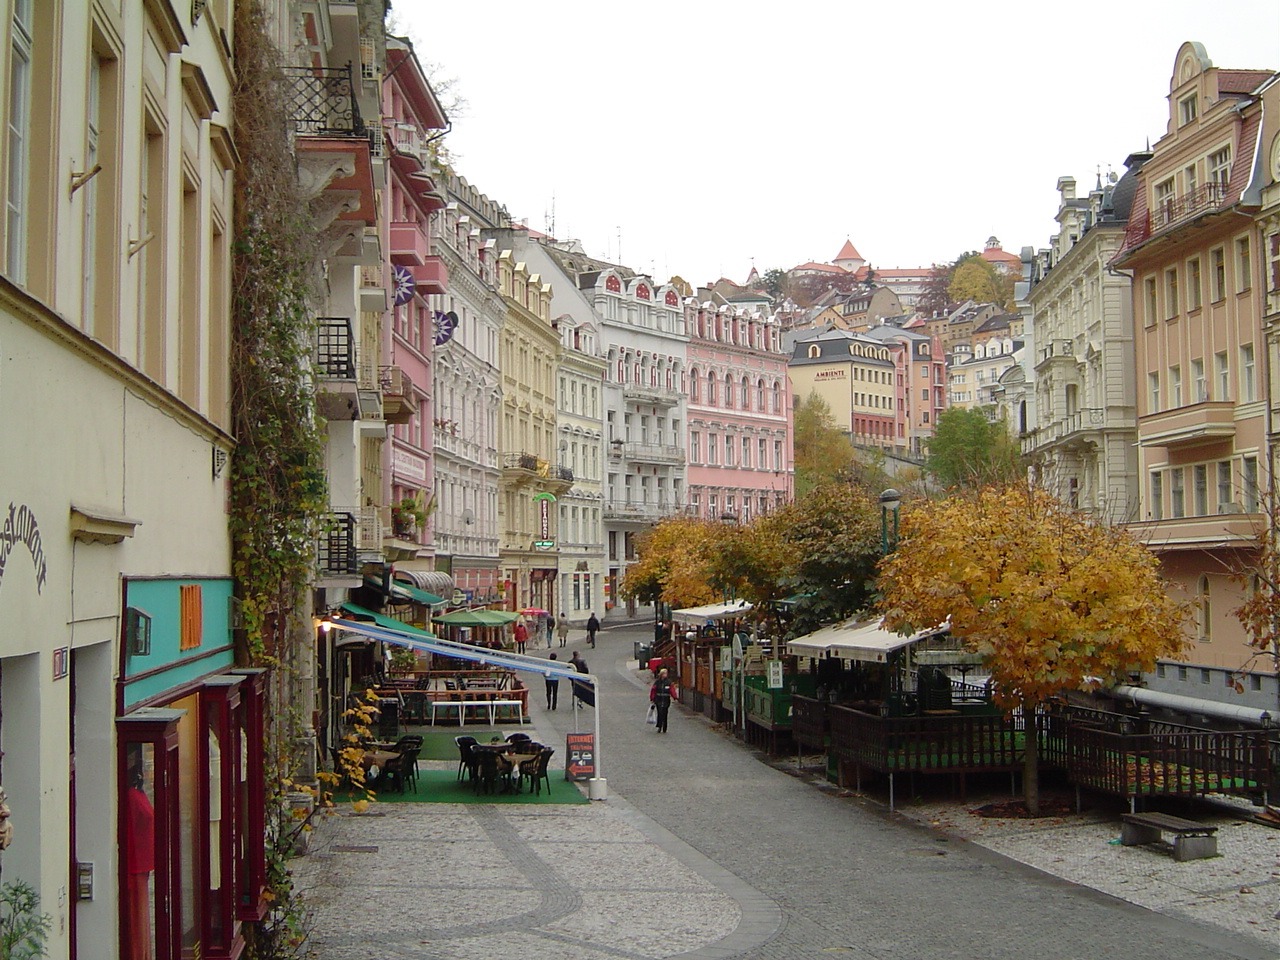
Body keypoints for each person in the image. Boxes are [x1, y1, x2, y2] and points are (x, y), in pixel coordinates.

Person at [650, 667, 673, 733]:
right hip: (658, 699)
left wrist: (675, 696)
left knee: (665, 713)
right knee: (660, 712)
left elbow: (672, 690)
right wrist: (652, 698)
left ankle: (665, 726)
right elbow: (653, 690)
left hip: (666, 699)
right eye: (664, 673)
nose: (665, 675)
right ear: (661, 674)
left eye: (666, 673)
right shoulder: (657, 682)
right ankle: (659, 726)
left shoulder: (669, 682)